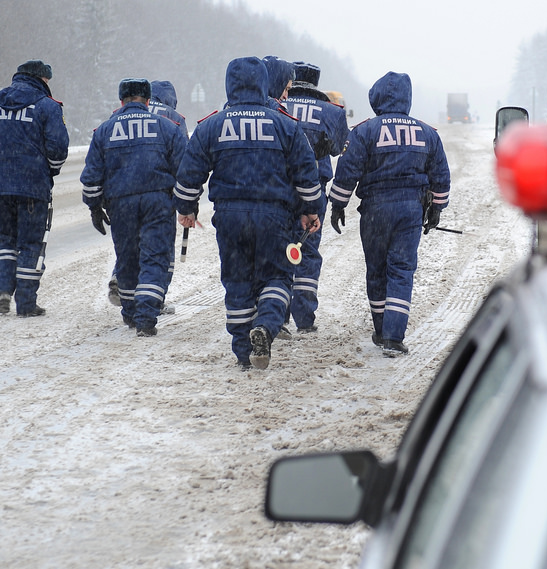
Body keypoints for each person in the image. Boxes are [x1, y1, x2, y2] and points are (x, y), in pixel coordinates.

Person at [173, 56, 323, 370]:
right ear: (264, 83)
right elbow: (306, 175)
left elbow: (189, 175)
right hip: (274, 217)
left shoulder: (211, 125)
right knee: (277, 277)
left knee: (238, 280)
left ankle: (243, 352)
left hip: (229, 218)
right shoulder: (285, 125)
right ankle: (266, 325)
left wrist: (186, 208)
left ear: (229, 84)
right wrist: (310, 210)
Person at [327, 71, 450, 356]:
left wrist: (338, 204)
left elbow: (348, 171)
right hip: (410, 209)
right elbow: (440, 174)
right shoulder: (427, 133)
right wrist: (436, 208)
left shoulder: (365, 131)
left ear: (377, 98)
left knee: (377, 269)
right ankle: (394, 337)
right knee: (402, 269)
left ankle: (382, 329)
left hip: (375, 211)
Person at [81, 78, 187, 336]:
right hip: (158, 201)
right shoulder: (168, 127)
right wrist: (186, 204)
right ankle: (147, 315)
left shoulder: (105, 130)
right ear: (148, 100)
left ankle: (130, 313)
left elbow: (92, 175)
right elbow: (185, 170)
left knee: (127, 257)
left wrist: (94, 207)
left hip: (120, 204)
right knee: (155, 257)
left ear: (121, 101)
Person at [0, 59, 69, 318]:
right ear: (42, 79)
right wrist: (48, 170)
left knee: (5, 239)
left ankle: (4, 290)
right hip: (32, 186)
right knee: (30, 243)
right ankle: (26, 303)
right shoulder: (47, 107)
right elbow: (58, 149)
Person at [105, 80, 190, 311]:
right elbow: (183, 161)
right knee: (158, 250)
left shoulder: (116, 117)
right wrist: (184, 199)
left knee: (129, 248)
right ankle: (154, 300)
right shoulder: (173, 119)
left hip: (123, 194)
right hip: (158, 196)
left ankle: (120, 279)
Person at [281, 61, 349, 335]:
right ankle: (305, 318)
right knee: (307, 252)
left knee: (281, 250)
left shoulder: (277, 105)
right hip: (314, 190)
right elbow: (338, 147)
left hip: (279, 189)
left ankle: (278, 314)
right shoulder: (330, 111)